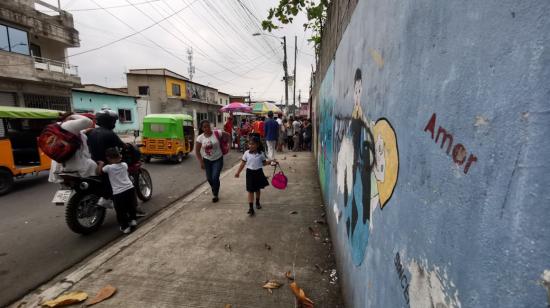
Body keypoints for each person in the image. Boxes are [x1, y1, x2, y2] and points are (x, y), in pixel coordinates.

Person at [98, 148, 138, 234]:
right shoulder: (124, 164)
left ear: (108, 158)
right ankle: (133, 220)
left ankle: (125, 227)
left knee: (121, 211)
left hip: (119, 193)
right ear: (119, 156)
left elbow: (99, 172)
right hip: (130, 188)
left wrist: (101, 164)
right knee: (131, 206)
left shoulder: (108, 168)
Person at [48, 113, 97, 183]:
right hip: (74, 166)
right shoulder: (69, 124)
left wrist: (86, 130)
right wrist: (73, 115)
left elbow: (77, 133)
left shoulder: (58, 128)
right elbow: (87, 121)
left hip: (57, 167)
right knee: (94, 167)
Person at [234, 135, 272, 216]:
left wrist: (271, 162)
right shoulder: (246, 153)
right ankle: (251, 208)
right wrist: (238, 172)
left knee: (257, 189)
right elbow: (242, 164)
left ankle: (257, 202)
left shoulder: (261, 154)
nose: (250, 145)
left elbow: (264, 163)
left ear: (257, 145)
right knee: (250, 191)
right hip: (250, 174)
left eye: (253, 144)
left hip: (259, 173)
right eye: (249, 144)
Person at [195, 119, 229, 202]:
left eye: (208, 126)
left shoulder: (217, 133)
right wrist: (201, 161)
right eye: (204, 127)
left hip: (218, 158)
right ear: (202, 128)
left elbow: (228, 135)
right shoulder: (200, 138)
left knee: (215, 177)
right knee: (209, 178)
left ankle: (215, 194)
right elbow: (197, 151)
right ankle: (214, 187)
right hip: (207, 160)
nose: (207, 128)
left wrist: (229, 145)